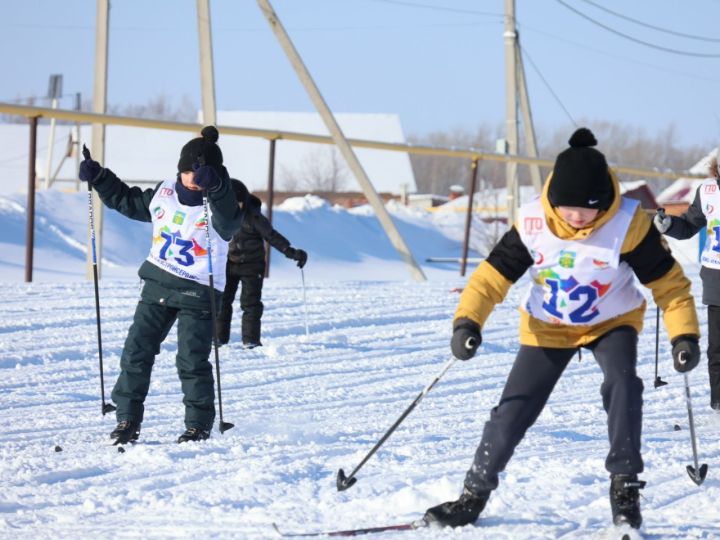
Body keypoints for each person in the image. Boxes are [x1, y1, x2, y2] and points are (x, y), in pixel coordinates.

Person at [424, 128, 700, 530]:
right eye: (567, 209)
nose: (575, 218)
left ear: (603, 202)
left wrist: (684, 336)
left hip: (611, 322)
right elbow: (491, 278)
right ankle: (473, 495)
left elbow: (669, 285)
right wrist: (468, 322)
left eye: (585, 211)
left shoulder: (628, 224)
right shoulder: (534, 221)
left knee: (623, 387)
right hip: (547, 326)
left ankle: (624, 488)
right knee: (514, 408)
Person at [78, 126, 247, 444]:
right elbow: (127, 201)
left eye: (199, 173)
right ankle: (127, 419)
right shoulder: (164, 193)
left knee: (191, 359)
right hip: (158, 282)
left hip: (199, 291)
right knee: (135, 353)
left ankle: (198, 424)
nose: (192, 179)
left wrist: (219, 187)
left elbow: (229, 225)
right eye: (187, 172)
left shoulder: (221, 202)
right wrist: (99, 177)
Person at [654, 155, 720, 411]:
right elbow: (691, 224)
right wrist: (669, 224)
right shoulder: (708, 190)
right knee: (717, 348)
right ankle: (719, 403)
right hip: (716, 274)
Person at [216, 182, 308, 348]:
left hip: (252, 266)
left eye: (238, 203)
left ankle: (250, 340)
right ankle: (219, 338)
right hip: (229, 265)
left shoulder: (254, 217)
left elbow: (272, 236)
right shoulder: (223, 216)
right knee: (223, 302)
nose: (235, 206)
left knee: (250, 303)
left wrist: (291, 252)